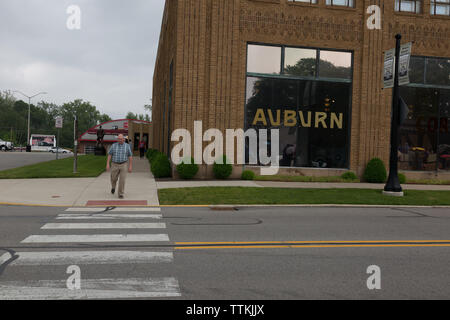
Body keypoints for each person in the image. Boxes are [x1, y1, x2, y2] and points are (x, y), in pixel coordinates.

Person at [106, 134, 133, 199]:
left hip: (123, 164)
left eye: (121, 139)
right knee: (113, 178)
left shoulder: (127, 146)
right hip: (114, 164)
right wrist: (107, 164)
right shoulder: (113, 145)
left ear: (124, 139)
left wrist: (130, 166)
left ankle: (120, 193)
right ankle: (113, 187)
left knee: (122, 180)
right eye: (118, 139)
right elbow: (110, 155)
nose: (120, 140)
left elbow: (130, 156)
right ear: (117, 139)